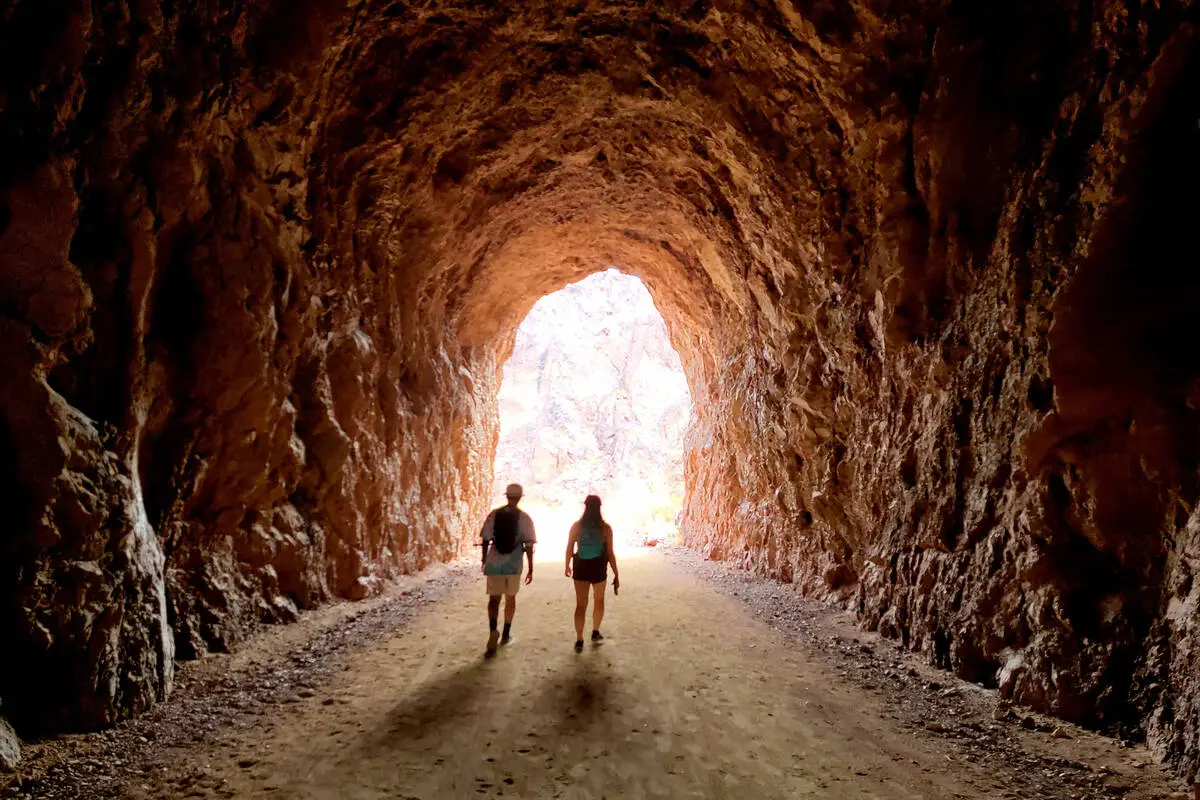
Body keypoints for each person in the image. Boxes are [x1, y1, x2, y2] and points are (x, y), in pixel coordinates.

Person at [480, 483, 536, 654]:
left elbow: (485, 538)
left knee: (494, 600)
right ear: (519, 498)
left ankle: (492, 630)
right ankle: (506, 633)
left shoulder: (494, 515)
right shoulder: (524, 518)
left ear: (507, 496)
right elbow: (528, 545)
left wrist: (484, 559)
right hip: (513, 564)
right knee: (510, 599)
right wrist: (530, 567)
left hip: (495, 563)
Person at [564, 494, 620, 651]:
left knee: (581, 605)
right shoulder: (605, 528)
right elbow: (610, 553)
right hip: (598, 566)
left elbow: (569, 547)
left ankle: (579, 639)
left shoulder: (577, 526)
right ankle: (595, 631)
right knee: (599, 600)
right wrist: (616, 573)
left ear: (585, 506)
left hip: (580, 566)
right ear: (599, 507)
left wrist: (567, 565)